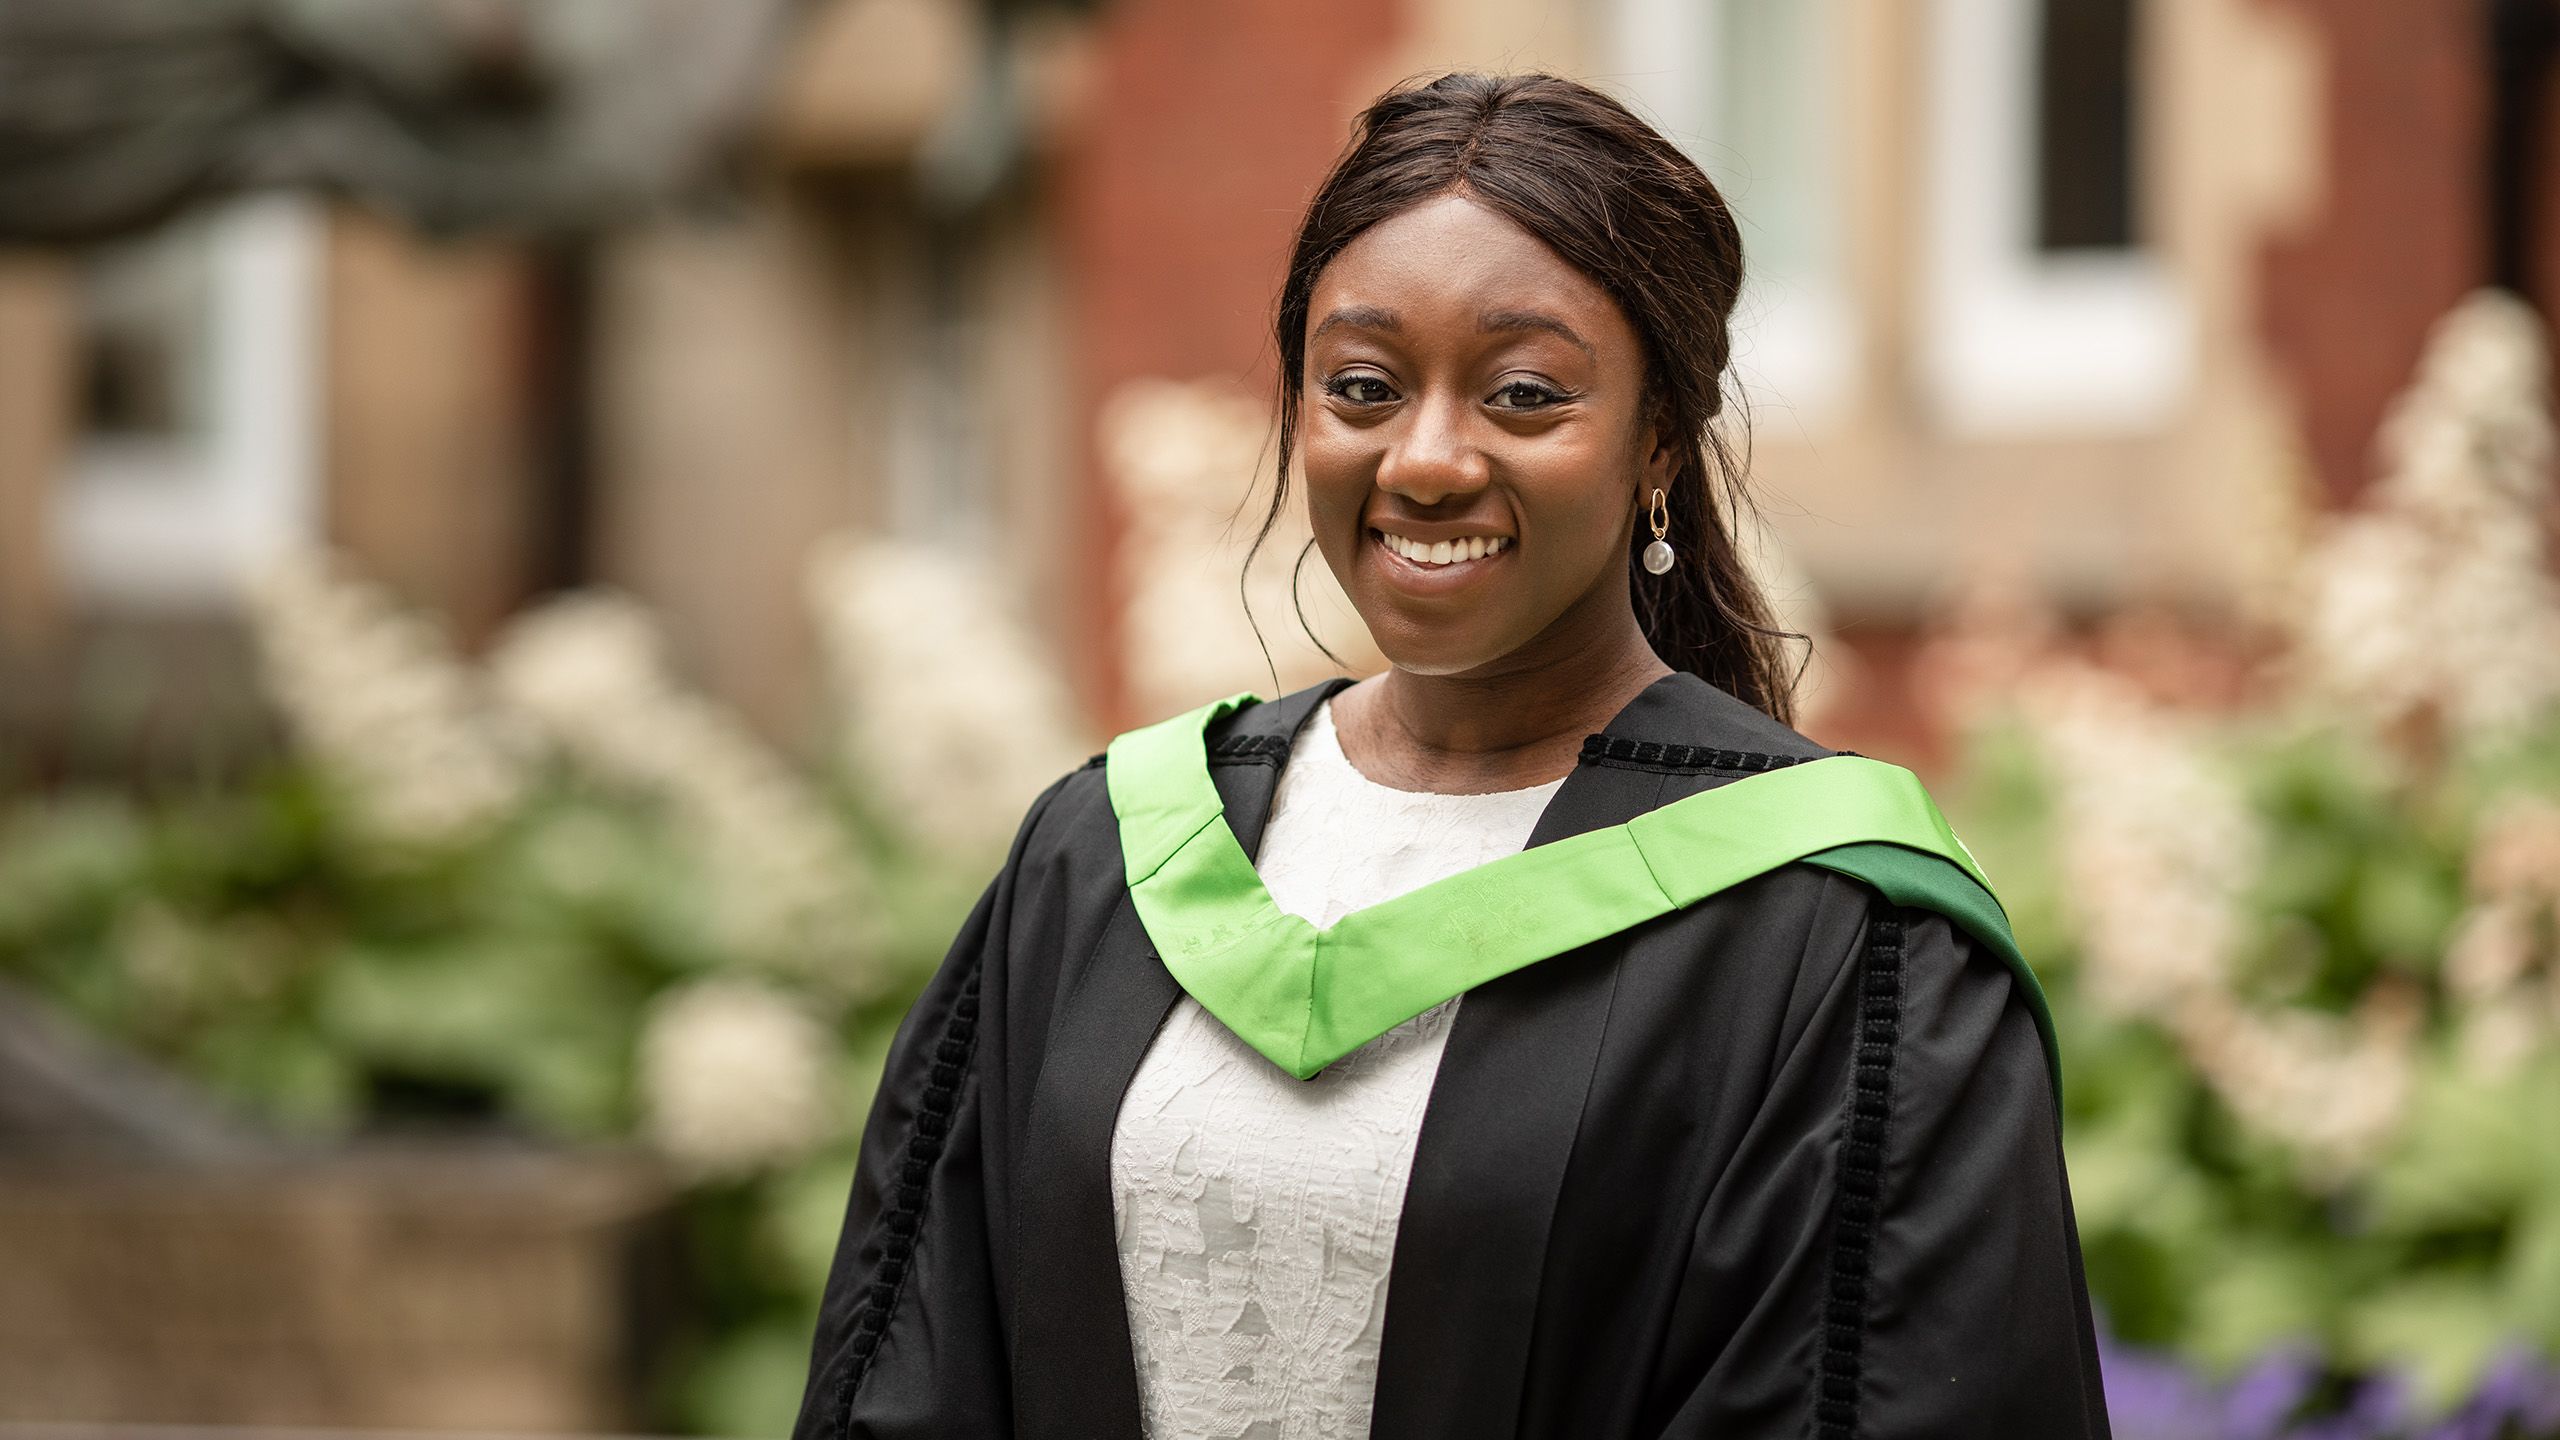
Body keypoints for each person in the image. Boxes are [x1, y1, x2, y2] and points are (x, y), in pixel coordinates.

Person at [791, 71, 2112, 1440]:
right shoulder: (1107, 858)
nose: (1425, 458)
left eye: (1525, 393)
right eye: (1360, 385)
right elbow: (916, 1380)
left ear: (1658, 434)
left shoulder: (1836, 935)